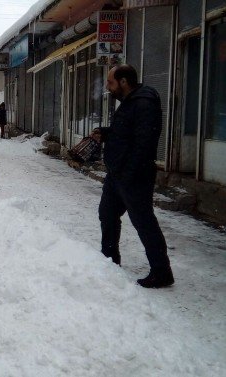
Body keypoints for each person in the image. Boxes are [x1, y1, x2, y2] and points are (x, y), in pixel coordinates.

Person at [90, 64, 173, 288]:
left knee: (144, 222)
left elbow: (143, 144)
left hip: (134, 176)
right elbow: (126, 134)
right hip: (117, 175)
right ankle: (109, 260)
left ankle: (162, 272)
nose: (108, 87)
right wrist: (106, 134)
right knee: (106, 214)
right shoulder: (129, 103)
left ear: (124, 82)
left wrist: (128, 173)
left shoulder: (144, 104)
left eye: (111, 82)